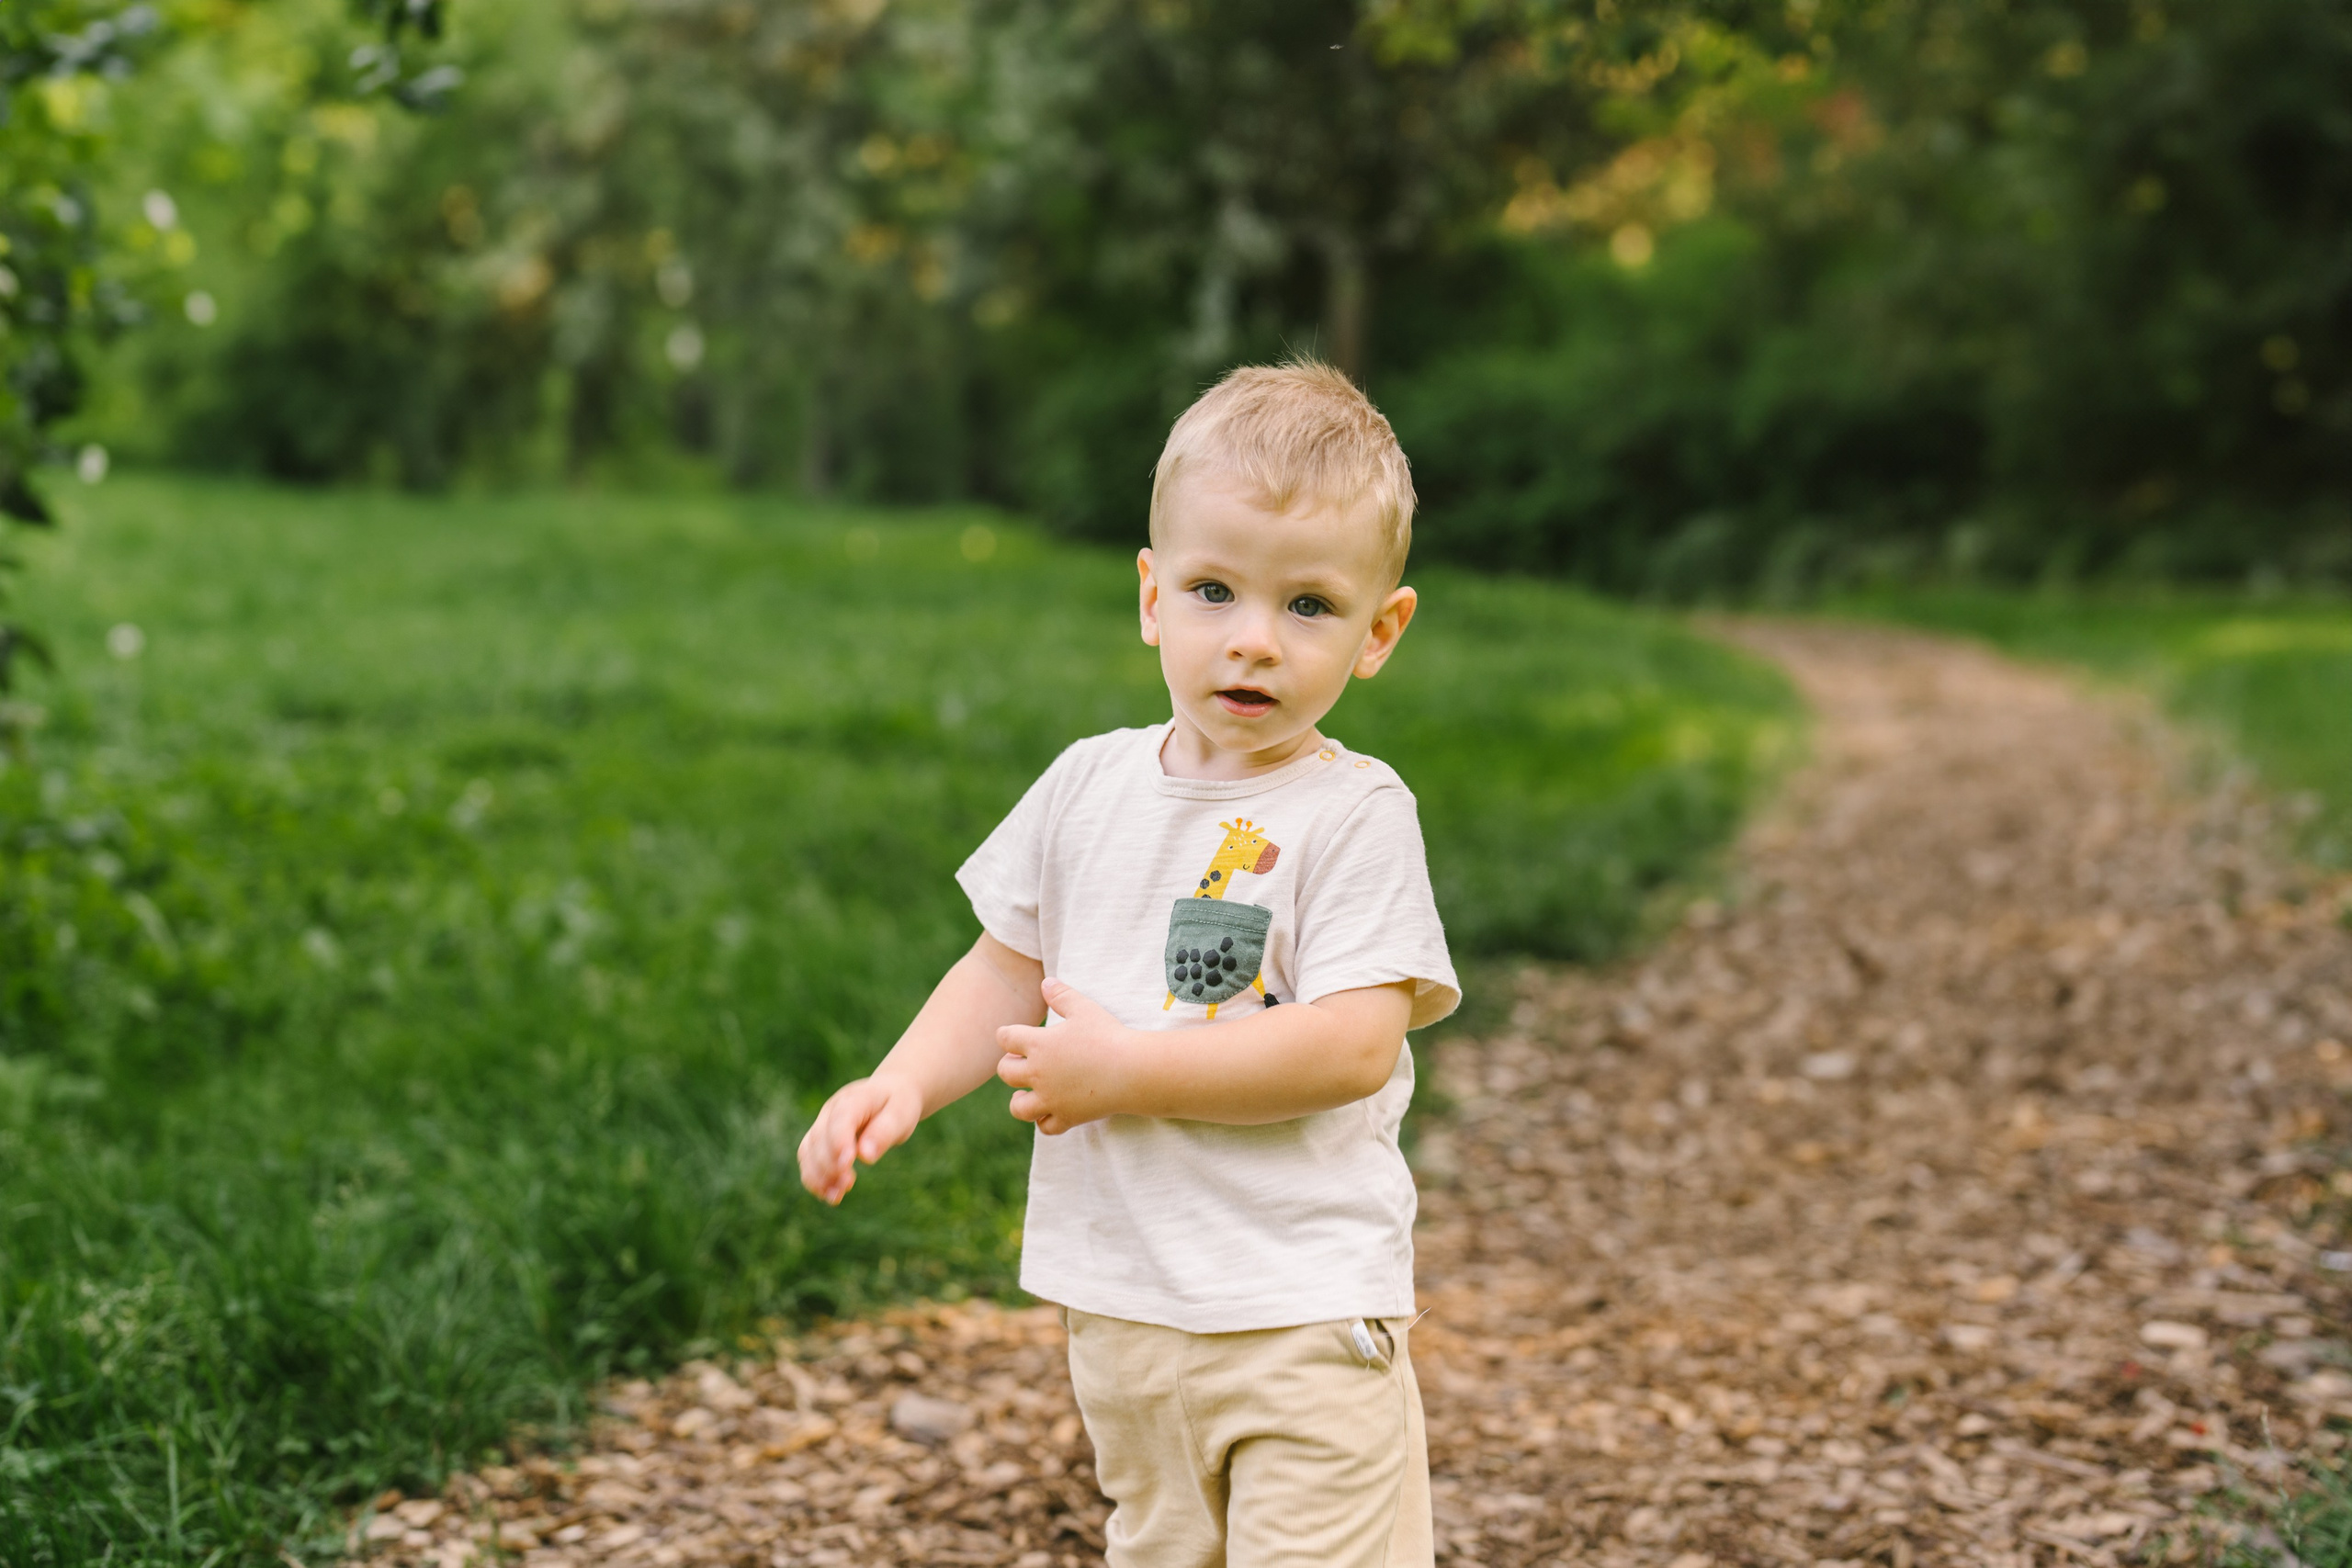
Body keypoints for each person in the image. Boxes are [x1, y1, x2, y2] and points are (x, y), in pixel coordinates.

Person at [797, 357, 1459, 1568]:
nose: (1253, 642)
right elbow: (1004, 970)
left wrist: (1128, 1073)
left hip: (1298, 1311)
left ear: (1380, 631)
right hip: (1124, 1310)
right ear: (1152, 597)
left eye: (1309, 607)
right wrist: (900, 1083)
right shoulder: (1086, 787)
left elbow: (1355, 1046)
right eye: (1214, 591)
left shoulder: (1354, 815)